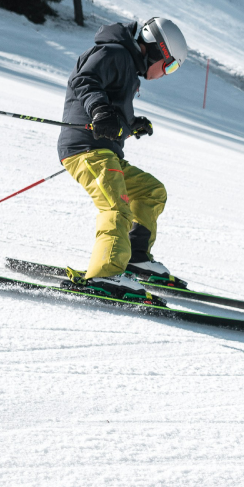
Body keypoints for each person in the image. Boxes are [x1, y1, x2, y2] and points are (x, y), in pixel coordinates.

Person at [57, 17, 188, 300]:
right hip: (87, 148)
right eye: (169, 66)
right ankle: (105, 273)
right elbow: (84, 80)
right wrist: (100, 111)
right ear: (157, 50)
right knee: (116, 208)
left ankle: (136, 257)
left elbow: (110, 108)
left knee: (151, 191)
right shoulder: (114, 53)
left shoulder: (127, 66)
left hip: (106, 151)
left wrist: (130, 124)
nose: (166, 73)